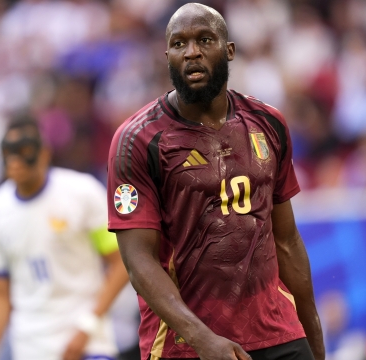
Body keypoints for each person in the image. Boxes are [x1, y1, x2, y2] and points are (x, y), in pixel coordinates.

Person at [106, 3, 324, 360]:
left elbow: (286, 241)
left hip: (277, 331)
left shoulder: (268, 123)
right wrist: (201, 339)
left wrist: (312, 333)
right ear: (167, 56)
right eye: (179, 44)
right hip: (185, 346)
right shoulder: (137, 141)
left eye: (204, 40)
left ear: (229, 51)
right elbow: (138, 261)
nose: (191, 52)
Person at [0, 115, 129, 360]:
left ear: (44, 152)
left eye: (25, 151)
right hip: (31, 347)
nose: (15, 161)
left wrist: (88, 326)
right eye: (9, 152)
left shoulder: (82, 193)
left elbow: (120, 261)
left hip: (89, 342)